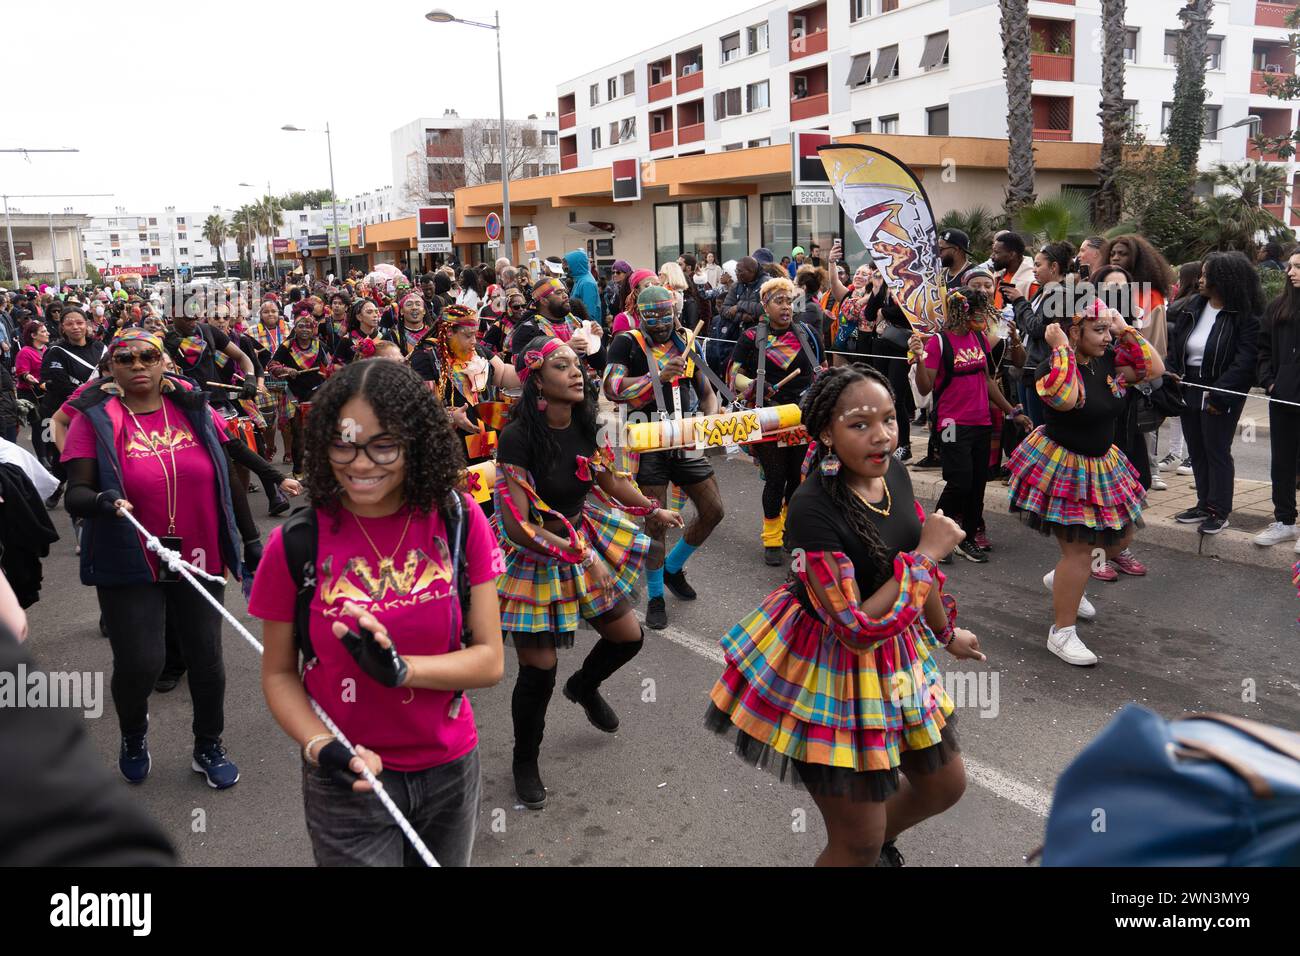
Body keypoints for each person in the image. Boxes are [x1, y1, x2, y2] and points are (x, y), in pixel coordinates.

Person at [706, 363, 983, 866]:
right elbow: (854, 628)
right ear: (828, 434)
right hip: (829, 668)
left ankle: (871, 850)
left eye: (889, 420)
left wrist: (946, 634)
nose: (881, 437)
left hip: (895, 661)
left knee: (945, 784)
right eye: (859, 425)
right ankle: (860, 853)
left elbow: (911, 567)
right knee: (855, 838)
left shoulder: (892, 472)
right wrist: (926, 557)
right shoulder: (812, 509)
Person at [252, 359, 504, 867]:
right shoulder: (295, 544)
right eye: (343, 443)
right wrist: (321, 746)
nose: (361, 464)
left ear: (417, 442)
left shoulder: (459, 518)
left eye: (383, 445)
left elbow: (490, 661)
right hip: (348, 782)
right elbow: (279, 673)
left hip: (451, 769)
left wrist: (402, 670)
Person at [494, 335, 679, 809]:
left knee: (628, 637)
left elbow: (610, 479)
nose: (576, 372)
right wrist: (577, 555)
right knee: (540, 669)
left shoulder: (588, 424)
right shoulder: (516, 437)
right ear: (535, 377)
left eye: (577, 364)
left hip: (582, 536)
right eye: (561, 365)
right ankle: (525, 761)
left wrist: (649, 509)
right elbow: (518, 525)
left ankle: (585, 686)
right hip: (537, 550)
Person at [62, 329, 246, 786]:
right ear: (111, 368)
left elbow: (230, 472)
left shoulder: (193, 409)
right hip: (130, 555)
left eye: (149, 356)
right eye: (126, 358)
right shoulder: (96, 418)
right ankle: (133, 733)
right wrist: (103, 499)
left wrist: (249, 539)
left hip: (199, 552)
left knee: (206, 658)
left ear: (165, 362)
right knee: (141, 661)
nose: (138, 364)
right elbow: (76, 493)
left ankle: (208, 745)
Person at [1007, 301, 1163, 665]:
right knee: (1079, 551)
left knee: (1120, 537)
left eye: (1108, 330)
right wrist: (1060, 348)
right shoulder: (1052, 366)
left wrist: (1126, 329)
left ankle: (1062, 580)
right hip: (1063, 466)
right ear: (1074, 332)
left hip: (1103, 464)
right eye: (1099, 330)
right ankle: (1061, 633)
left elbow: (1155, 369)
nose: (1107, 337)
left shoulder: (1108, 361)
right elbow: (1063, 399)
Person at [603, 286, 724, 630]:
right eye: (652, 322)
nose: (660, 328)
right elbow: (611, 388)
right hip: (648, 438)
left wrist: (709, 418)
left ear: (675, 314)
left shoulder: (687, 338)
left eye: (666, 320)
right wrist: (655, 376)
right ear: (640, 317)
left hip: (685, 438)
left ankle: (672, 568)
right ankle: (655, 596)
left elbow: (706, 391)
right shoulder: (626, 342)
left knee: (714, 511)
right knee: (655, 522)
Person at [913, 288, 1031, 563]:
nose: (985, 319)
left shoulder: (978, 338)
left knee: (978, 483)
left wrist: (1011, 411)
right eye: (980, 313)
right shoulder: (938, 343)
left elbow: (989, 380)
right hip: (952, 423)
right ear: (964, 312)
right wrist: (918, 359)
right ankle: (933, 534)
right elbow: (925, 386)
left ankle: (965, 538)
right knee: (960, 481)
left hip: (981, 421)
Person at [1165, 252, 1263, 535]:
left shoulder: (1244, 317)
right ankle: (1203, 503)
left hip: (1221, 389)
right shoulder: (1191, 307)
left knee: (1216, 449)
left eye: (1207, 275)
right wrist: (1173, 373)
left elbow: (1245, 362)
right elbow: (1176, 347)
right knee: (1196, 448)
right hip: (1189, 386)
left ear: (1226, 279)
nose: (1200, 280)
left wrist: (1221, 394)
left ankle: (1219, 510)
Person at [728, 277, 819, 565]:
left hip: (801, 417)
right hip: (768, 416)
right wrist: (752, 384)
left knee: (797, 477)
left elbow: (822, 368)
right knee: (776, 478)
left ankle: (790, 530)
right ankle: (771, 538)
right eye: (779, 301)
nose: (786, 307)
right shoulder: (752, 338)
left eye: (789, 301)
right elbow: (733, 373)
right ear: (765, 307)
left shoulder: (808, 334)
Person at [423, 305, 520, 475]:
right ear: (449, 332)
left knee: (488, 493)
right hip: (452, 449)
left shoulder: (478, 350)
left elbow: (503, 373)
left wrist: (535, 376)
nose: (474, 341)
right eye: (468, 336)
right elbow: (423, 407)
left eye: (474, 335)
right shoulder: (426, 357)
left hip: (486, 442)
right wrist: (451, 416)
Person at [1256, 246, 1300, 550]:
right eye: (1291, 266)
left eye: (1298, 266)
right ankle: (1285, 520)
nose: (1291, 271)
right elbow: (1263, 350)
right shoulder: (1277, 308)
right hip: (1283, 398)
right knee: (1282, 463)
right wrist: (1270, 381)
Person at [1008, 241, 1072, 427]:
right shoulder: (1043, 291)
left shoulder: (1060, 294)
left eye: (1038, 265)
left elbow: (1037, 328)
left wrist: (1020, 301)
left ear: (1054, 267)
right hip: (1026, 367)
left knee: (1038, 426)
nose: (1034, 270)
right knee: (1028, 425)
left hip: (1041, 369)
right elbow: (1025, 324)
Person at [267, 309, 337, 479]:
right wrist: (285, 369)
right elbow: (272, 365)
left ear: (313, 329)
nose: (305, 329)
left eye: (309, 326)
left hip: (317, 394)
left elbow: (331, 366)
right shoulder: (287, 346)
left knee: (319, 432)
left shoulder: (320, 345)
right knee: (298, 434)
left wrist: (327, 373)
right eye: (300, 326)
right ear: (295, 328)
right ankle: (299, 471)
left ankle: (320, 470)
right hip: (294, 396)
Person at [15, 321, 51, 469]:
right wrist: (29, 378)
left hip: (45, 391)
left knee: (48, 423)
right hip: (30, 393)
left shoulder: (47, 350)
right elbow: (22, 373)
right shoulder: (24, 352)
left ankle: (49, 454)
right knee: (38, 425)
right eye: (43, 331)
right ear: (33, 335)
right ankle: (42, 458)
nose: (47, 333)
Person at [564, 250, 602, 329]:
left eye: (567, 264)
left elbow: (589, 314)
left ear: (575, 264)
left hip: (587, 330)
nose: (564, 267)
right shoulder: (579, 280)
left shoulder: (587, 283)